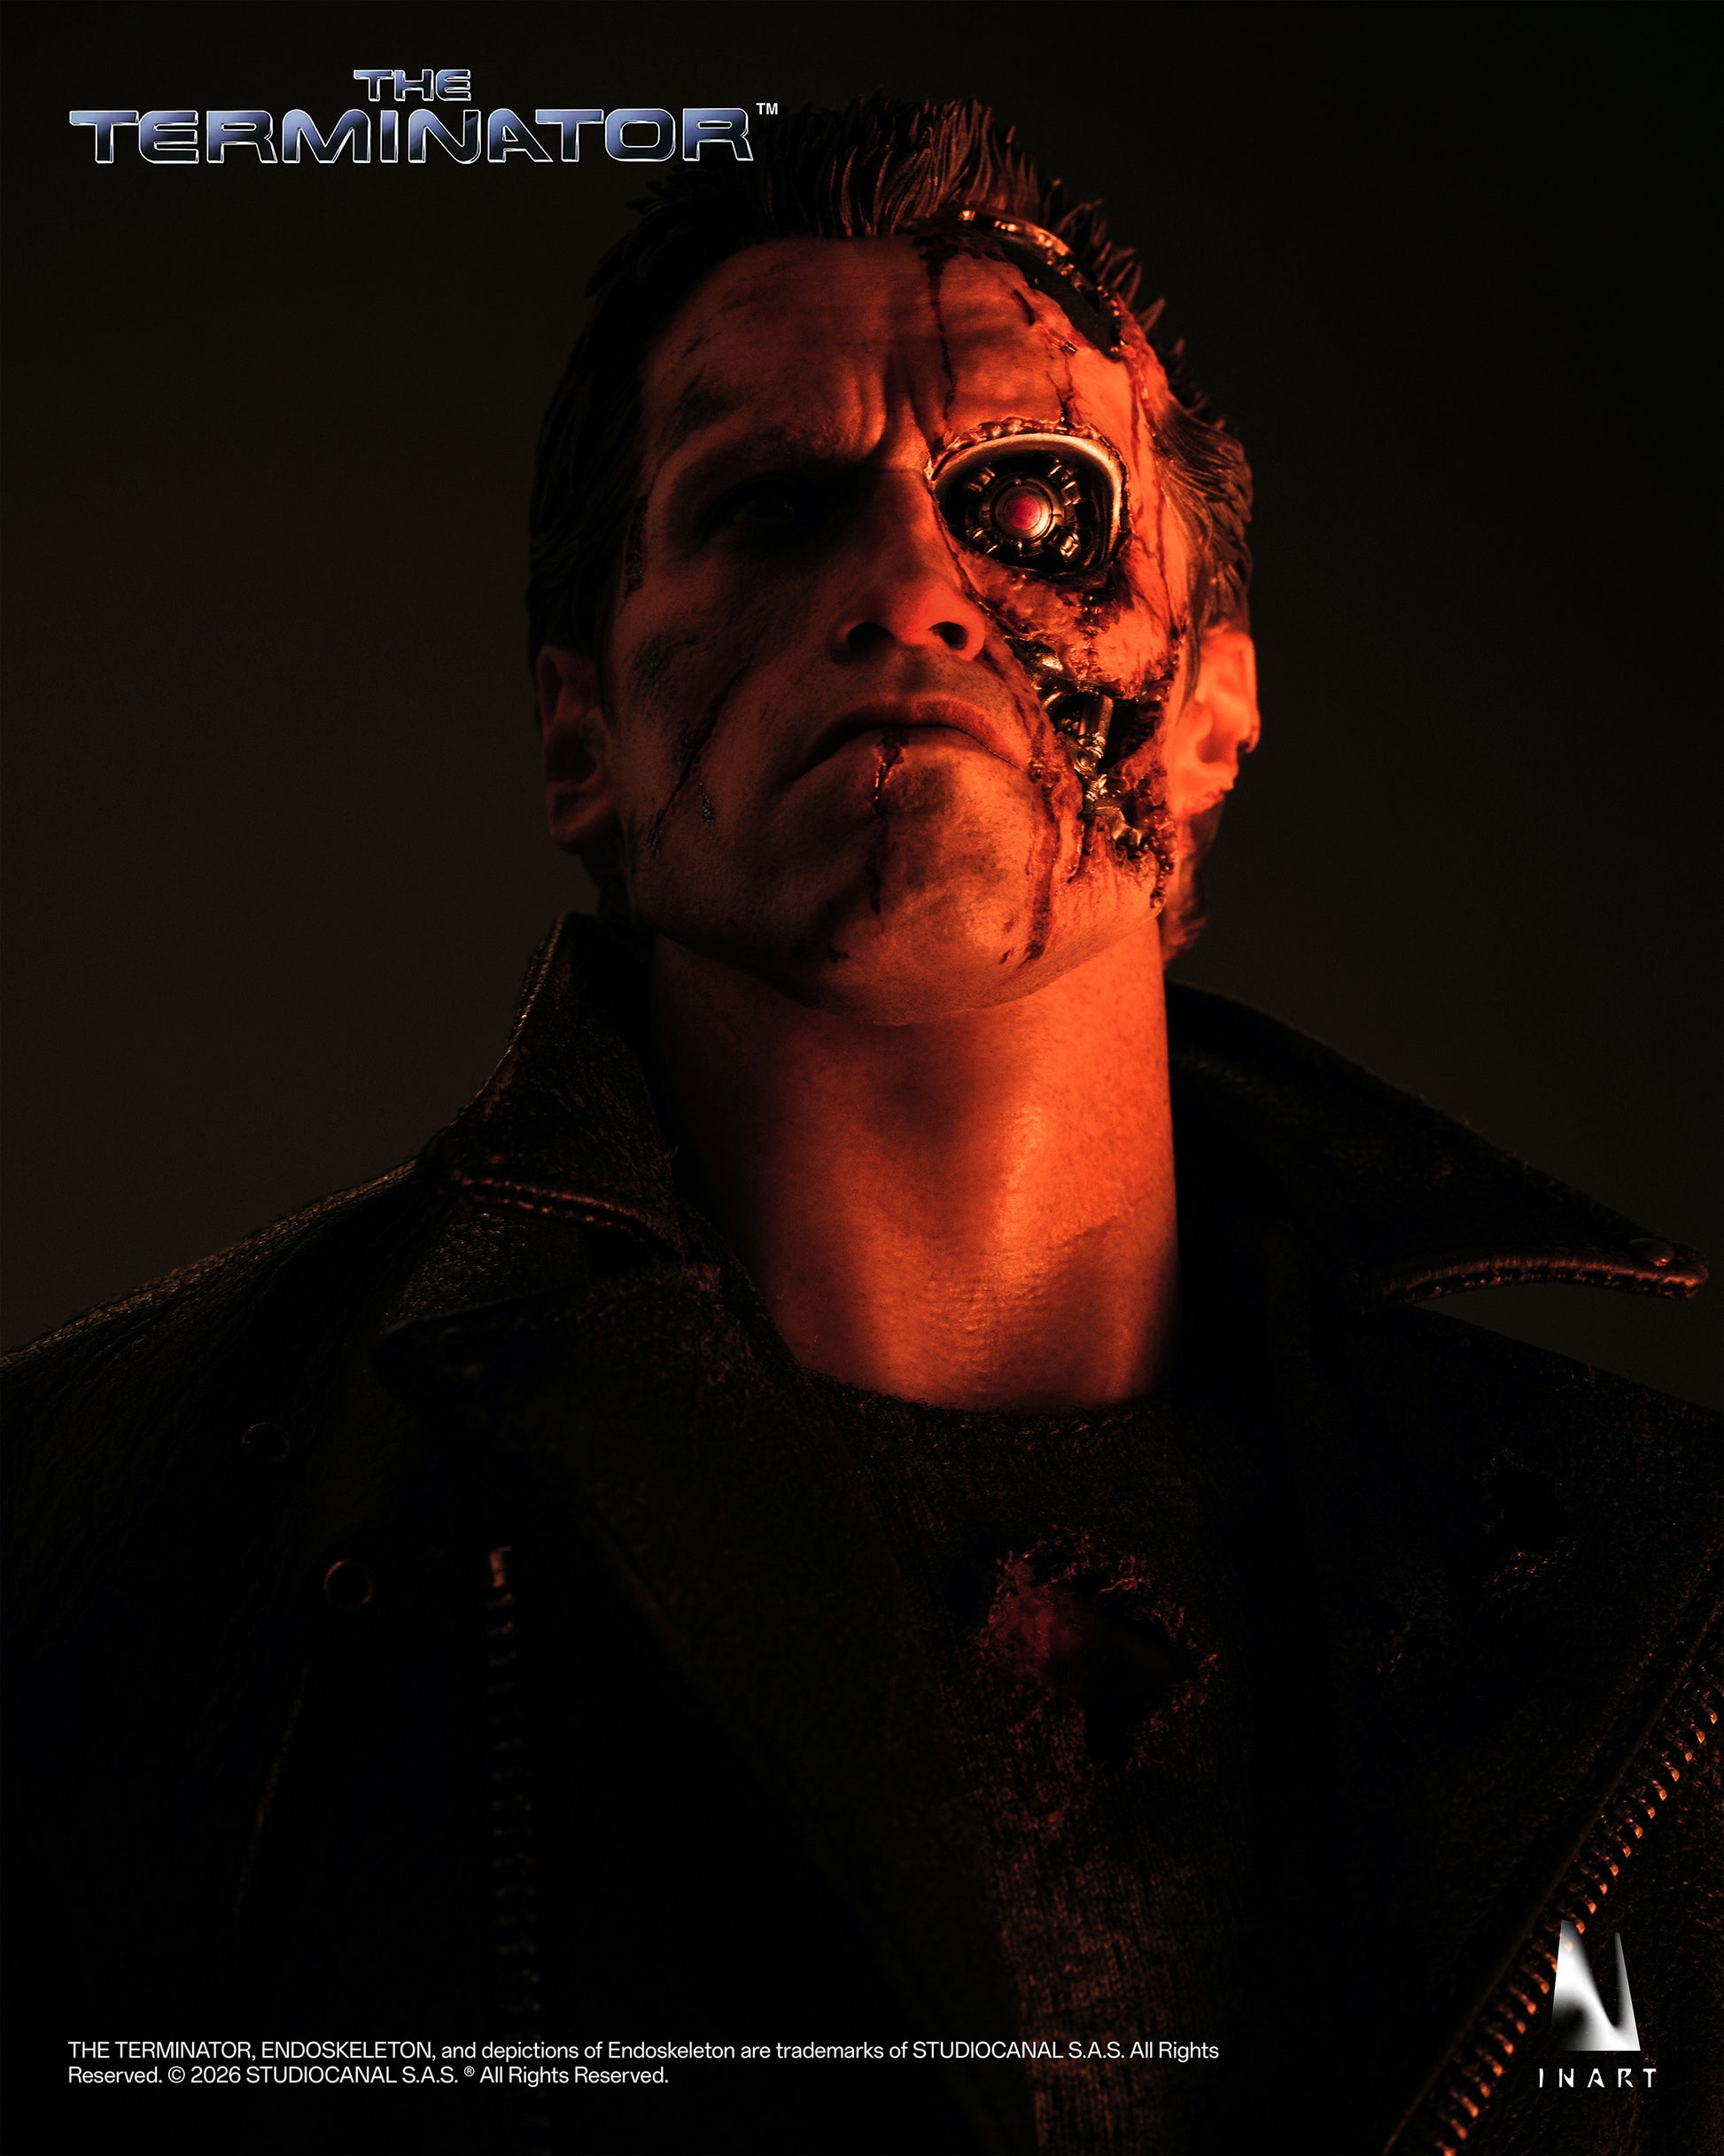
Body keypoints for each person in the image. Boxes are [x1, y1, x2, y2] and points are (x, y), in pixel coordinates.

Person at [4, 97, 1719, 2156]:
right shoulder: (127, 1545)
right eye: (765, 509)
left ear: (1212, 711)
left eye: (1039, 503)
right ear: (578, 728)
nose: (909, 583)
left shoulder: (1648, 1603)